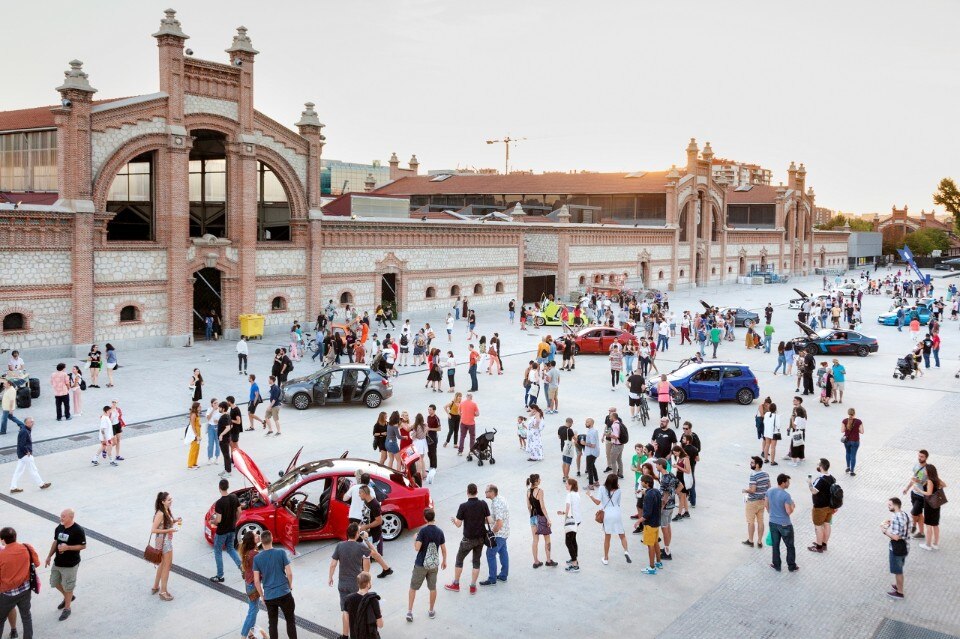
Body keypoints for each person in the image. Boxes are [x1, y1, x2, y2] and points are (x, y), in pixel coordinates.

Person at [444, 484, 493, 595]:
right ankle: (472, 587)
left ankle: (456, 584)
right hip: (480, 539)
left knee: (459, 560)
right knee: (476, 562)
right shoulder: (483, 504)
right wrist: (479, 520)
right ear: (476, 492)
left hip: (467, 539)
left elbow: (458, 524)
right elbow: (490, 520)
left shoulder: (463, 506)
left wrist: (454, 520)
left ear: (467, 492)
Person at [330, 522, 371, 638]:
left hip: (342, 583)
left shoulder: (339, 546)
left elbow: (333, 564)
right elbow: (370, 556)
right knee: (359, 610)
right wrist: (366, 539)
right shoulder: (361, 547)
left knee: (345, 610)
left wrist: (330, 577)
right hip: (356, 584)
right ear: (357, 534)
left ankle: (344, 635)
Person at [253, 530, 297, 639]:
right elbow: (290, 573)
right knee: (290, 621)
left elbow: (257, 581)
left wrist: (262, 596)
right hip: (284, 593)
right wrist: (289, 585)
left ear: (261, 542)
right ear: (272, 539)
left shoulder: (257, 558)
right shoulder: (281, 552)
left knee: (272, 624)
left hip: (269, 595)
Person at [407, 508, 446, 622]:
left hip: (420, 564)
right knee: (432, 588)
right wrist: (444, 561)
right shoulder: (440, 531)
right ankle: (431, 610)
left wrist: (415, 539)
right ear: (434, 517)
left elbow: (417, 548)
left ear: (424, 518)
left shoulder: (423, 532)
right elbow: (443, 549)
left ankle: (409, 612)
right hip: (433, 565)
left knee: (413, 588)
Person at [0, 527, 40, 639]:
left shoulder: (1, 555)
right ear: (15, 537)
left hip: (7, 594)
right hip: (25, 590)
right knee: (26, 617)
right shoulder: (27, 547)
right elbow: (36, 563)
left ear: (2, 540)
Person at [585, 473, 630, 565]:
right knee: (622, 535)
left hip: (607, 514)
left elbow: (597, 502)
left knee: (607, 537)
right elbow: (618, 503)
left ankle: (605, 558)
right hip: (616, 513)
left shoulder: (602, 488)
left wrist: (590, 495)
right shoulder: (618, 490)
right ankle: (626, 551)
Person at [209, 479, 242, 583]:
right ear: (228, 487)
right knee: (231, 549)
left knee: (218, 551)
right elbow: (239, 511)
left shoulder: (219, 503)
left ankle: (220, 576)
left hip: (222, 531)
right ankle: (241, 566)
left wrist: (212, 521)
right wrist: (235, 521)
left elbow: (218, 520)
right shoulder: (234, 497)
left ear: (219, 488)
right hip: (232, 529)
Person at [150, 492, 181, 601]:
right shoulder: (160, 513)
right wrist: (170, 530)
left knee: (162, 564)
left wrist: (175, 521)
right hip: (164, 541)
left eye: (170, 499)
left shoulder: (166, 510)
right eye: (168, 500)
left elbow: (164, 524)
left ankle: (155, 586)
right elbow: (153, 530)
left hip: (161, 540)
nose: (170, 501)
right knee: (167, 566)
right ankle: (163, 591)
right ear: (162, 501)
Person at [765, 474, 798, 572]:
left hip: (772, 522)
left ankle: (777, 565)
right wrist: (793, 506)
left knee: (775, 545)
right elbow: (788, 512)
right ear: (783, 483)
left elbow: (766, 504)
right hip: (785, 524)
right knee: (790, 546)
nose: (789, 483)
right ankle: (791, 566)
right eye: (788, 482)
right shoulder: (786, 495)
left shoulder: (769, 491)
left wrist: (771, 513)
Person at [10, 418, 51, 493]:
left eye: (33, 421)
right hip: (25, 455)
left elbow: (18, 423)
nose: (33, 423)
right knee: (33, 470)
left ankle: (13, 487)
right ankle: (41, 484)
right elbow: (22, 443)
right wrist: (27, 451)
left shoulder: (25, 429)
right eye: (31, 422)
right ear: (27, 423)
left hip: (21, 454)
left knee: (18, 471)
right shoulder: (24, 431)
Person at [238, 530, 266, 639]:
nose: (258, 536)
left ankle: (250, 633)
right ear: (252, 541)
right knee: (253, 611)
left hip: (249, 584)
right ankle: (244, 635)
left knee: (254, 609)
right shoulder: (254, 554)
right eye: (255, 536)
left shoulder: (248, 551)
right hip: (253, 585)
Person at [525, 474, 557, 568]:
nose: (540, 480)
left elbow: (528, 506)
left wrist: (532, 516)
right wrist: (548, 519)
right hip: (541, 517)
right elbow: (542, 507)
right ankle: (548, 560)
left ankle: (536, 562)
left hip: (532, 517)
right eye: (539, 479)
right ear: (536, 481)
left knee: (535, 540)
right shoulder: (540, 491)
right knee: (547, 539)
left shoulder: (528, 491)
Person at [882, 497, 910, 599]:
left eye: (889, 505)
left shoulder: (897, 518)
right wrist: (891, 522)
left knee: (898, 571)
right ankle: (898, 586)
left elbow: (896, 537)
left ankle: (900, 592)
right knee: (899, 568)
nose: (888, 507)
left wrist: (884, 531)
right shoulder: (903, 514)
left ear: (895, 505)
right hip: (905, 546)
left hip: (897, 548)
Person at [807, 459, 836, 553]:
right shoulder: (832, 478)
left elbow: (813, 491)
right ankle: (824, 544)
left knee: (818, 527)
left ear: (821, 467)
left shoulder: (820, 479)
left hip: (820, 508)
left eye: (818, 464)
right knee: (827, 525)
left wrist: (809, 483)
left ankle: (818, 547)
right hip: (830, 507)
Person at [344, 572, 383, 639]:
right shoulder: (373, 599)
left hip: (355, 635)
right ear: (368, 584)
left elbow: (346, 619)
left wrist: (345, 635)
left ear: (358, 583)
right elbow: (380, 625)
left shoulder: (349, 599)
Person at [637, 475, 663, 574]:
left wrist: (638, 521)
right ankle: (659, 562)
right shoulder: (655, 491)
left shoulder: (648, 496)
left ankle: (651, 567)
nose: (641, 483)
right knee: (656, 542)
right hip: (657, 522)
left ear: (646, 483)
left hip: (650, 524)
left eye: (642, 482)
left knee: (650, 545)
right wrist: (643, 491)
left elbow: (647, 513)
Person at [742, 456, 769, 548]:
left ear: (757, 465)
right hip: (762, 501)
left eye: (752, 463)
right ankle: (760, 541)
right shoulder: (766, 474)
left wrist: (745, 490)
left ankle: (750, 540)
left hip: (752, 502)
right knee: (761, 522)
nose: (751, 464)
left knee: (751, 522)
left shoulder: (753, 475)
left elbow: (753, 490)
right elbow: (769, 486)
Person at [903, 450, 930, 540]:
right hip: (914, 493)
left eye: (922, 456)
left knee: (914, 513)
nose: (920, 458)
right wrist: (907, 488)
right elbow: (914, 479)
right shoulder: (916, 466)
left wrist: (919, 481)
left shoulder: (927, 469)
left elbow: (927, 483)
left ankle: (913, 525)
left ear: (926, 458)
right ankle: (921, 533)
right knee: (919, 514)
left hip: (921, 495)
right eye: (919, 456)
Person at [919, 464, 946, 551]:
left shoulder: (930, 481)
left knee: (928, 525)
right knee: (935, 524)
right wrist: (937, 490)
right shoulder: (936, 479)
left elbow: (928, 493)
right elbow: (944, 485)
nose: (924, 471)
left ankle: (928, 545)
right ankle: (935, 544)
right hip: (936, 504)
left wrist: (918, 490)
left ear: (929, 471)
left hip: (929, 504)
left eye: (925, 470)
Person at [558, 478, 582, 572]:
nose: (565, 485)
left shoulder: (569, 495)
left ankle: (575, 564)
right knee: (573, 540)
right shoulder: (576, 494)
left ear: (571, 485)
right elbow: (573, 508)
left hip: (571, 521)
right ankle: (574, 558)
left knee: (568, 542)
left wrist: (565, 520)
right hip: (577, 520)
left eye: (567, 484)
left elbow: (568, 507)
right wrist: (563, 512)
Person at [584, 418, 600, 489]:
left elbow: (593, 445)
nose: (586, 423)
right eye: (586, 422)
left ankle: (591, 485)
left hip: (591, 453)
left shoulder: (592, 432)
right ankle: (596, 482)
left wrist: (584, 443)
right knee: (592, 467)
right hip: (594, 452)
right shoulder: (593, 431)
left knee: (589, 468)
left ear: (592, 423)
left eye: (587, 422)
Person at [186, 401, 202, 469]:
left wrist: (199, 424)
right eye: (200, 406)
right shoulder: (193, 415)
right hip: (195, 433)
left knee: (197, 448)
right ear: (197, 407)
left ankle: (194, 463)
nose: (201, 407)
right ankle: (190, 465)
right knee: (193, 448)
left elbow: (196, 423)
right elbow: (192, 425)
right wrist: (196, 435)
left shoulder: (197, 414)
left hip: (198, 431)